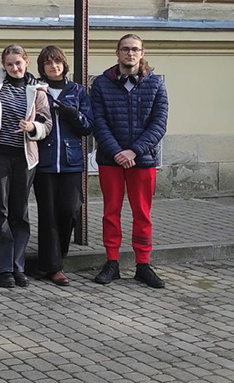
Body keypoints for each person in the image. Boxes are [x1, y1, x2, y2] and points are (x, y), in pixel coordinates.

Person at [91, 34, 168, 288]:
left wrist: (134, 151)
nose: (130, 54)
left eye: (135, 49)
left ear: (142, 52)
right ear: (117, 53)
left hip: (142, 160)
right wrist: (116, 152)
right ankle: (111, 262)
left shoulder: (155, 84)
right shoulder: (102, 84)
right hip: (110, 160)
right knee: (110, 212)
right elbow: (98, 123)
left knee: (142, 214)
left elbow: (159, 124)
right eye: (125, 49)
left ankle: (143, 265)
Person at [0, 44, 52, 288]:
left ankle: (17, 265)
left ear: (26, 62)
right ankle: (1, 267)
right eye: (9, 64)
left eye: (18, 63)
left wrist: (34, 128)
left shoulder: (37, 89)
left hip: (25, 157)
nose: (14, 68)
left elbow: (46, 122)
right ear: (4, 65)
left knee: (19, 212)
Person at [33, 46, 93, 286]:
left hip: (71, 161)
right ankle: (53, 266)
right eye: (48, 63)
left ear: (64, 64)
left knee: (69, 210)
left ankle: (59, 254)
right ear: (42, 67)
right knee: (47, 215)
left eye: (57, 62)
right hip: (44, 161)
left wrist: (74, 115)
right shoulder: (37, 89)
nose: (53, 66)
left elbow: (88, 126)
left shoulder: (77, 90)